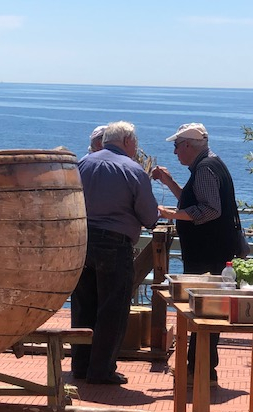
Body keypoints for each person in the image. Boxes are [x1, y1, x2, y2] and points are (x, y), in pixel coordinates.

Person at [152, 123, 240, 388]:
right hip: (214, 251)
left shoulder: (204, 169)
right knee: (208, 312)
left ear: (188, 145)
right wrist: (169, 182)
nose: (175, 152)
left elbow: (210, 210)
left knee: (203, 313)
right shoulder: (211, 164)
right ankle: (201, 370)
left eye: (176, 146)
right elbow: (196, 202)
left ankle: (200, 372)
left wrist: (171, 214)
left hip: (207, 253)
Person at [71, 121, 159, 384]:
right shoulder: (132, 170)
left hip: (82, 241)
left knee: (83, 306)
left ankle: (80, 365)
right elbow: (149, 216)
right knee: (112, 309)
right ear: (128, 141)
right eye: (135, 142)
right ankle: (101, 370)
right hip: (114, 244)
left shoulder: (82, 164)